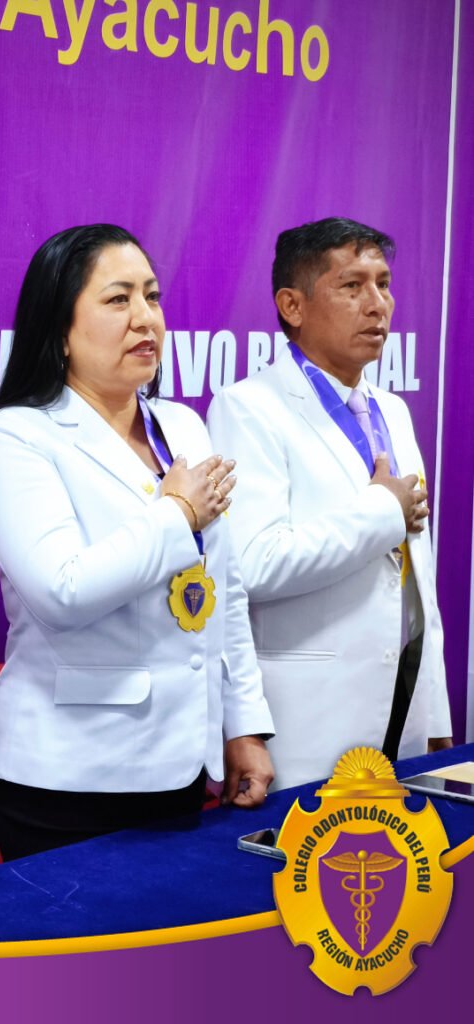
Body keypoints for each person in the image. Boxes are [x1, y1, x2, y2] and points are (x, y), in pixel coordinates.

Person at [0, 224, 275, 861]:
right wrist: (177, 514)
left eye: (152, 296)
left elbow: (223, 590)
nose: (145, 318)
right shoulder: (15, 435)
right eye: (118, 299)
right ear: (59, 329)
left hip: (181, 763)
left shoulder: (181, 424)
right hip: (69, 775)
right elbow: (63, 591)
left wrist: (242, 723)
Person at [207, 217, 452, 790]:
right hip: (307, 722)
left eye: (383, 284)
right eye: (352, 286)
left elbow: (417, 578)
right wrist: (381, 513)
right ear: (292, 306)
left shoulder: (393, 410)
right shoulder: (248, 408)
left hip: (405, 710)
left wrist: (434, 706)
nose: (377, 304)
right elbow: (253, 564)